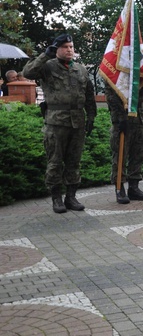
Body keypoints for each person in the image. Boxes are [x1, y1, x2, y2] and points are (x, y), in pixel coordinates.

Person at [22, 34, 96, 213]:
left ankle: (71, 197)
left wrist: (92, 116)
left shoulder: (81, 69)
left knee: (74, 162)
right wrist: (45, 55)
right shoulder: (47, 67)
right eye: (65, 47)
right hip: (56, 122)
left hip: (77, 121)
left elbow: (89, 95)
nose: (69, 50)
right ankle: (56, 198)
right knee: (55, 161)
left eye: (71, 47)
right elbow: (27, 73)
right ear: (57, 49)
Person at [104, 73, 143, 204]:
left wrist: (139, 88)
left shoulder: (139, 66)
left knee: (138, 155)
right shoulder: (115, 68)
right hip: (123, 122)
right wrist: (120, 118)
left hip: (140, 120)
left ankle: (134, 187)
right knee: (120, 156)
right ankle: (119, 187)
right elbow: (111, 95)